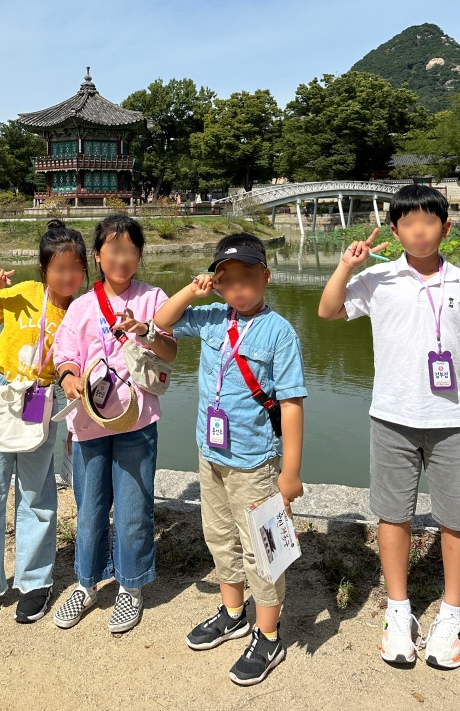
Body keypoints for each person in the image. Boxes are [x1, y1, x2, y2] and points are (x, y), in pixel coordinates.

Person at [318, 184, 460, 670]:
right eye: (408, 223)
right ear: (395, 230)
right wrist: (346, 266)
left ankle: (451, 612)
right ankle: (398, 610)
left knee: (456, 518)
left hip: (453, 422)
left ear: (445, 226)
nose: (419, 230)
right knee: (392, 514)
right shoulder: (378, 280)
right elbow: (328, 310)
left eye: (428, 221)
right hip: (392, 418)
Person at [154, 233, 306, 686]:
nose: (239, 288)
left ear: (266, 277)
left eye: (248, 278)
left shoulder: (280, 331)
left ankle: (268, 634)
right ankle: (234, 612)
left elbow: (293, 401)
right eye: (228, 280)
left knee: (264, 550)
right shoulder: (212, 318)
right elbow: (161, 322)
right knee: (219, 537)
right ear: (218, 283)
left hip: (255, 463)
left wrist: (292, 471)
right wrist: (193, 289)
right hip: (211, 453)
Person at [52, 215, 177, 634]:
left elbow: (170, 350)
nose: (121, 258)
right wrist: (69, 377)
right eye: (113, 250)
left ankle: (130, 586)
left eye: (130, 250)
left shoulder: (153, 297)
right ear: (98, 256)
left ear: (139, 255)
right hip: (89, 421)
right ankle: (86, 583)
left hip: (136, 420)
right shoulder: (83, 306)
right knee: (88, 509)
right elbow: (65, 352)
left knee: (132, 509)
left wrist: (144, 331)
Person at [0, 220, 88, 626]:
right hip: (2, 391)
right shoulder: (26, 294)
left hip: (43, 398)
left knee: (36, 490)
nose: (67, 277)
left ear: (85, 269)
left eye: (75, 268)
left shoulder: (84, 309)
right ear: (43, 269)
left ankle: (35, 580)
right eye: (59, 268)